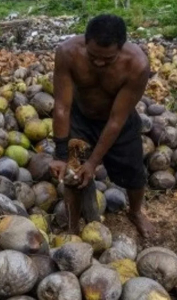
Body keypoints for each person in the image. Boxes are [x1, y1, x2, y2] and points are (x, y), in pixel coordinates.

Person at [49, 14, 156, 238]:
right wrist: (60, 153)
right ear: (85, 41)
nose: (99, 63)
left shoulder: (137, 65)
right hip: (81, 117)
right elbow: (61, 107)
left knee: (134, 173)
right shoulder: (67, 52)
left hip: (119, 122)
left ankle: (135, 212)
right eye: (93, 55)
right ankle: (73, 226)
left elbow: (117, 120)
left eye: (108, 59)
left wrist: (94, 162)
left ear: (121, 47)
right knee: (72, 173)